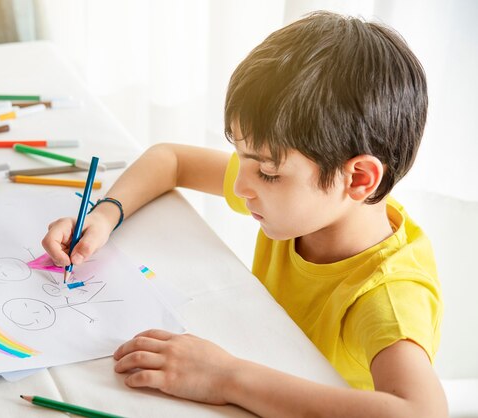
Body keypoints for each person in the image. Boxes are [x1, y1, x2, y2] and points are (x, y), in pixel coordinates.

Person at [42, 11, 447, 417]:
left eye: (267, 173)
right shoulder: (318, 203)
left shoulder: (386, 295)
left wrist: (226, 378)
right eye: (242, 159)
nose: (239, 186)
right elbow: (171, 159)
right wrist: (105, 215)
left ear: (358, 178)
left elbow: (421, 413)